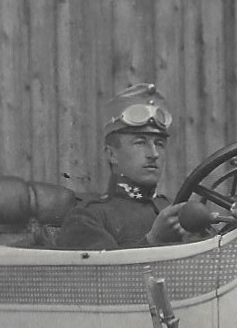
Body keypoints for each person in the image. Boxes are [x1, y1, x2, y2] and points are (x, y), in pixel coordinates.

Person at [55, 84, 197, 249]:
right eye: (140, 143)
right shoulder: (87, 218)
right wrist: (153, 240)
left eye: (159, 144)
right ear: (112, 155)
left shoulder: (174, 210)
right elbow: (107, 274)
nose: (154, 154)